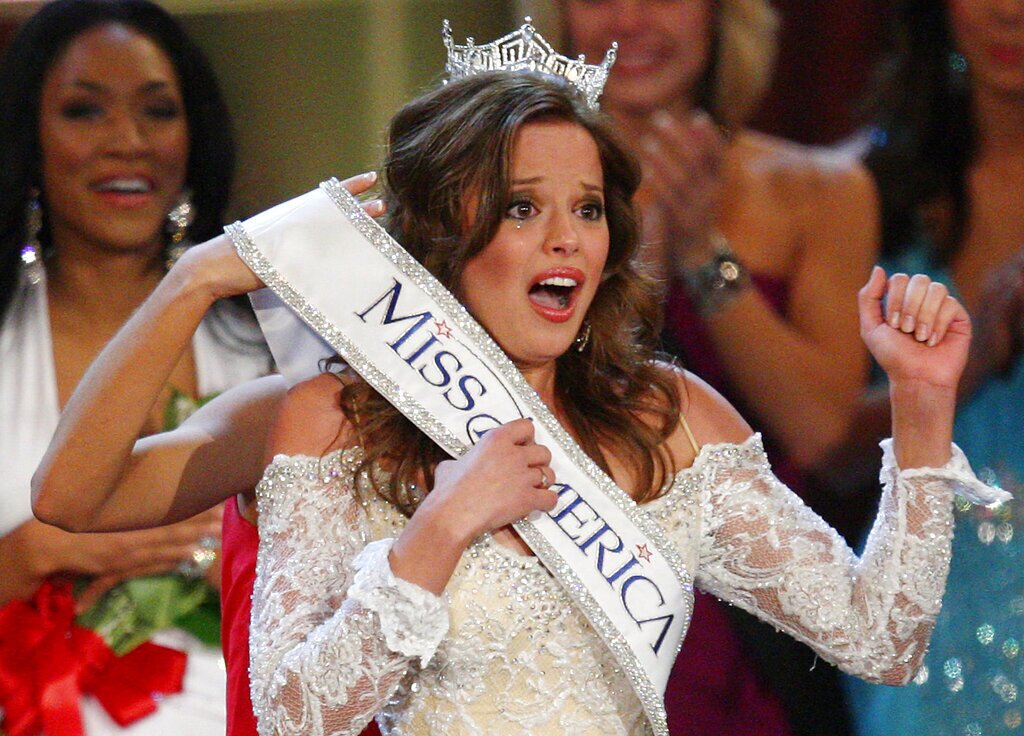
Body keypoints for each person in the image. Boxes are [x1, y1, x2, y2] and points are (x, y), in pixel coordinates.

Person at [30, 23, 998, 733]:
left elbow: (884, 639)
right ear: (444, 237)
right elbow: (295, 716)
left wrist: (918, 406)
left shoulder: (667, 416)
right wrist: (440, 528)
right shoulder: (335, 423)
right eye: (522, 206)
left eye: (587, 206)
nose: (566, 236)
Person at [554, 1, 880, 732]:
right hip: (576, 626)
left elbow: (825, 434)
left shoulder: (822, 189)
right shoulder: (509, 198)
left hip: (757, 642)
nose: (631, 21)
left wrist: (704, 250)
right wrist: (645, 260)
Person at [0, 1, 269, 733]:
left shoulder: (275, 336)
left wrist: (253, 569)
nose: (128, 141)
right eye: (84, 111)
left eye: (158, 112)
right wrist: (25, 558)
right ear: (29, 136)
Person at [825, 1, 1024, 734]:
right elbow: (829, 451)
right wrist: (962, 368)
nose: (1007, 10)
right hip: (927, 627)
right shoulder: (862, 187)